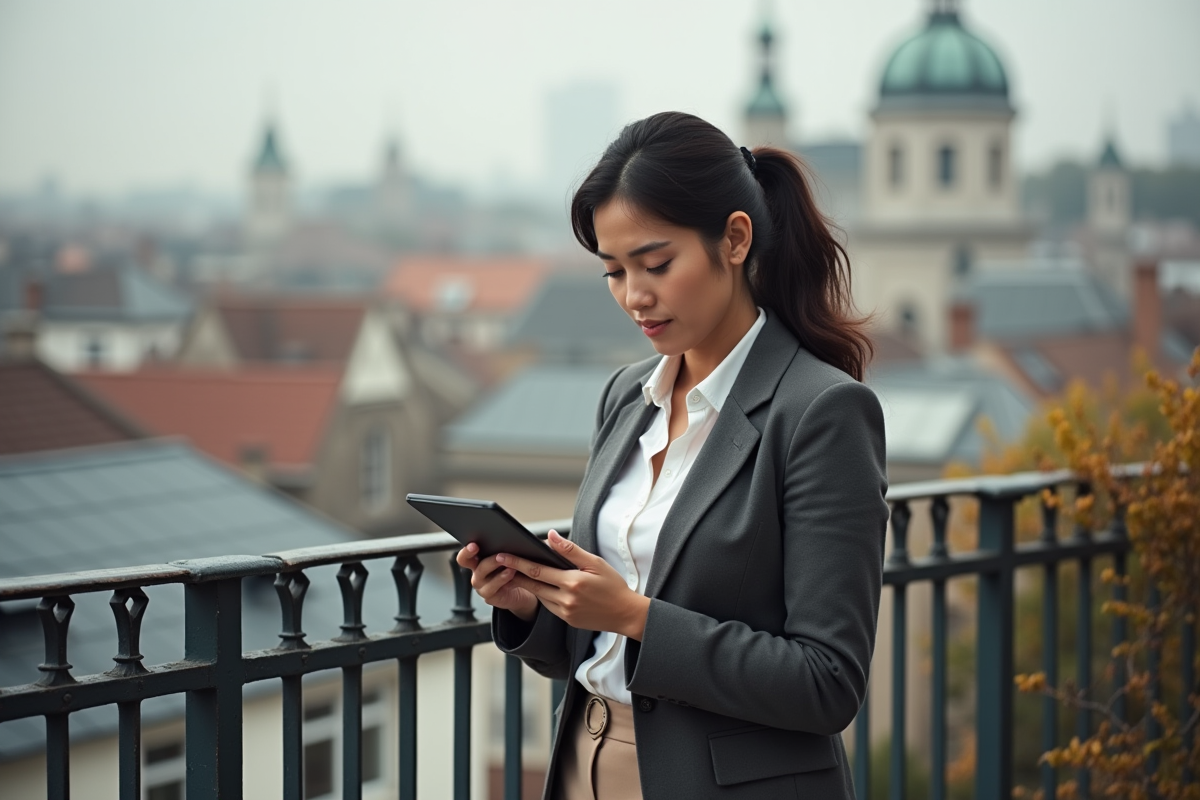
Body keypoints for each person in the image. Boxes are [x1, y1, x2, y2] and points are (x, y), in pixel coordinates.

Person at [456, 111, 889, 800]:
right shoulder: (626, 397)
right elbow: (594, 653)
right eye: (613, 271)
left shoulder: (821, 411)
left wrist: (635, 615)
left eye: (656, 264)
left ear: (735, 239)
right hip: (584, 763)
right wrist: (534, 607)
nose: (635, 296)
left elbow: (827, 682)